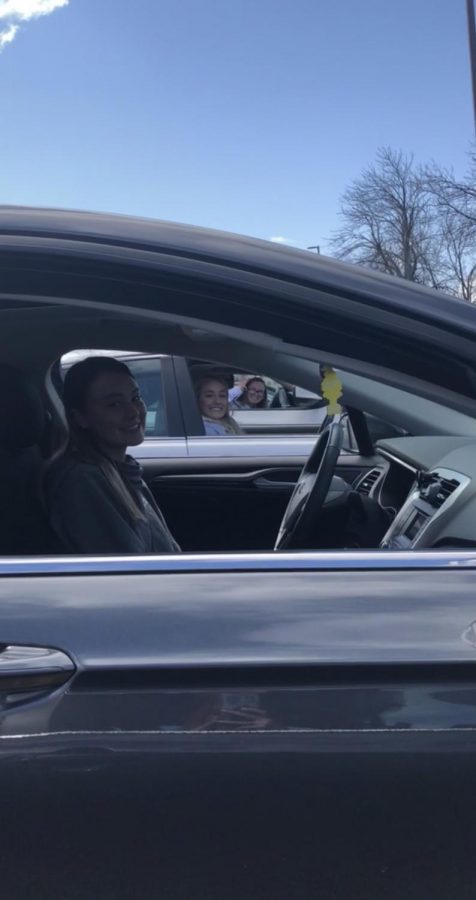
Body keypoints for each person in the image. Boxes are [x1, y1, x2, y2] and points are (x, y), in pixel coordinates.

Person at [45, 356, 180, 554]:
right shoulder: (82, 481)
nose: (133, 411)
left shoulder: (122, 471)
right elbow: (127, 571)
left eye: (135, 398)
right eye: (115, 404)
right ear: (80, 417)